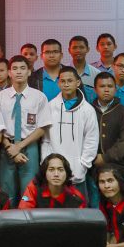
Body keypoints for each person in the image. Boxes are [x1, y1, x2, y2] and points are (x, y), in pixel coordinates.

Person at [0, 55, 52, 207]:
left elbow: (42, 127)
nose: (18, 72)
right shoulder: (0, 98)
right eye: (14, 68)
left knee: (29, 191)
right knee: (7, 192)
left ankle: (28, 227)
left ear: (29, 71)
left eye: (22, 68)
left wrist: (19, 147)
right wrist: (9, 147)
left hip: (30, 147)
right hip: (6, 147)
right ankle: (8, 226)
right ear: (9, 73)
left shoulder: (39, 97)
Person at [42, 67, 99, 198]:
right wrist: (47, 164)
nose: (66, 84)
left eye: (70, 81)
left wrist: (83, 165)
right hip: (53, 172)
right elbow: (45, 140)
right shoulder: (50, 107)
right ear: (58, 83)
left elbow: (91, 141)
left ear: (78, 82)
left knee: (78, 213)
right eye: (62, 81)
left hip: (77, 172)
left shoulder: (88, 110)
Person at [86, 72, 124, 207]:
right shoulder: (87, 110)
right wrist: (92, 158)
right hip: (93, 169)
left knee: (123, 208)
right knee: (96, 210)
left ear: (115, 88)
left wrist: (105, 158)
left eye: (110, 86)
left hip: (120, 168)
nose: (106, 89)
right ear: (95, 89)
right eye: (102, 86)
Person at [19, 153, 86, 209]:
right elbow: (23, 213)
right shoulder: (33, 187)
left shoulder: (76, 198)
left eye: (60, 170)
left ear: (67, 174)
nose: (56, 174)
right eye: (51, 170)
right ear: (44, 172)